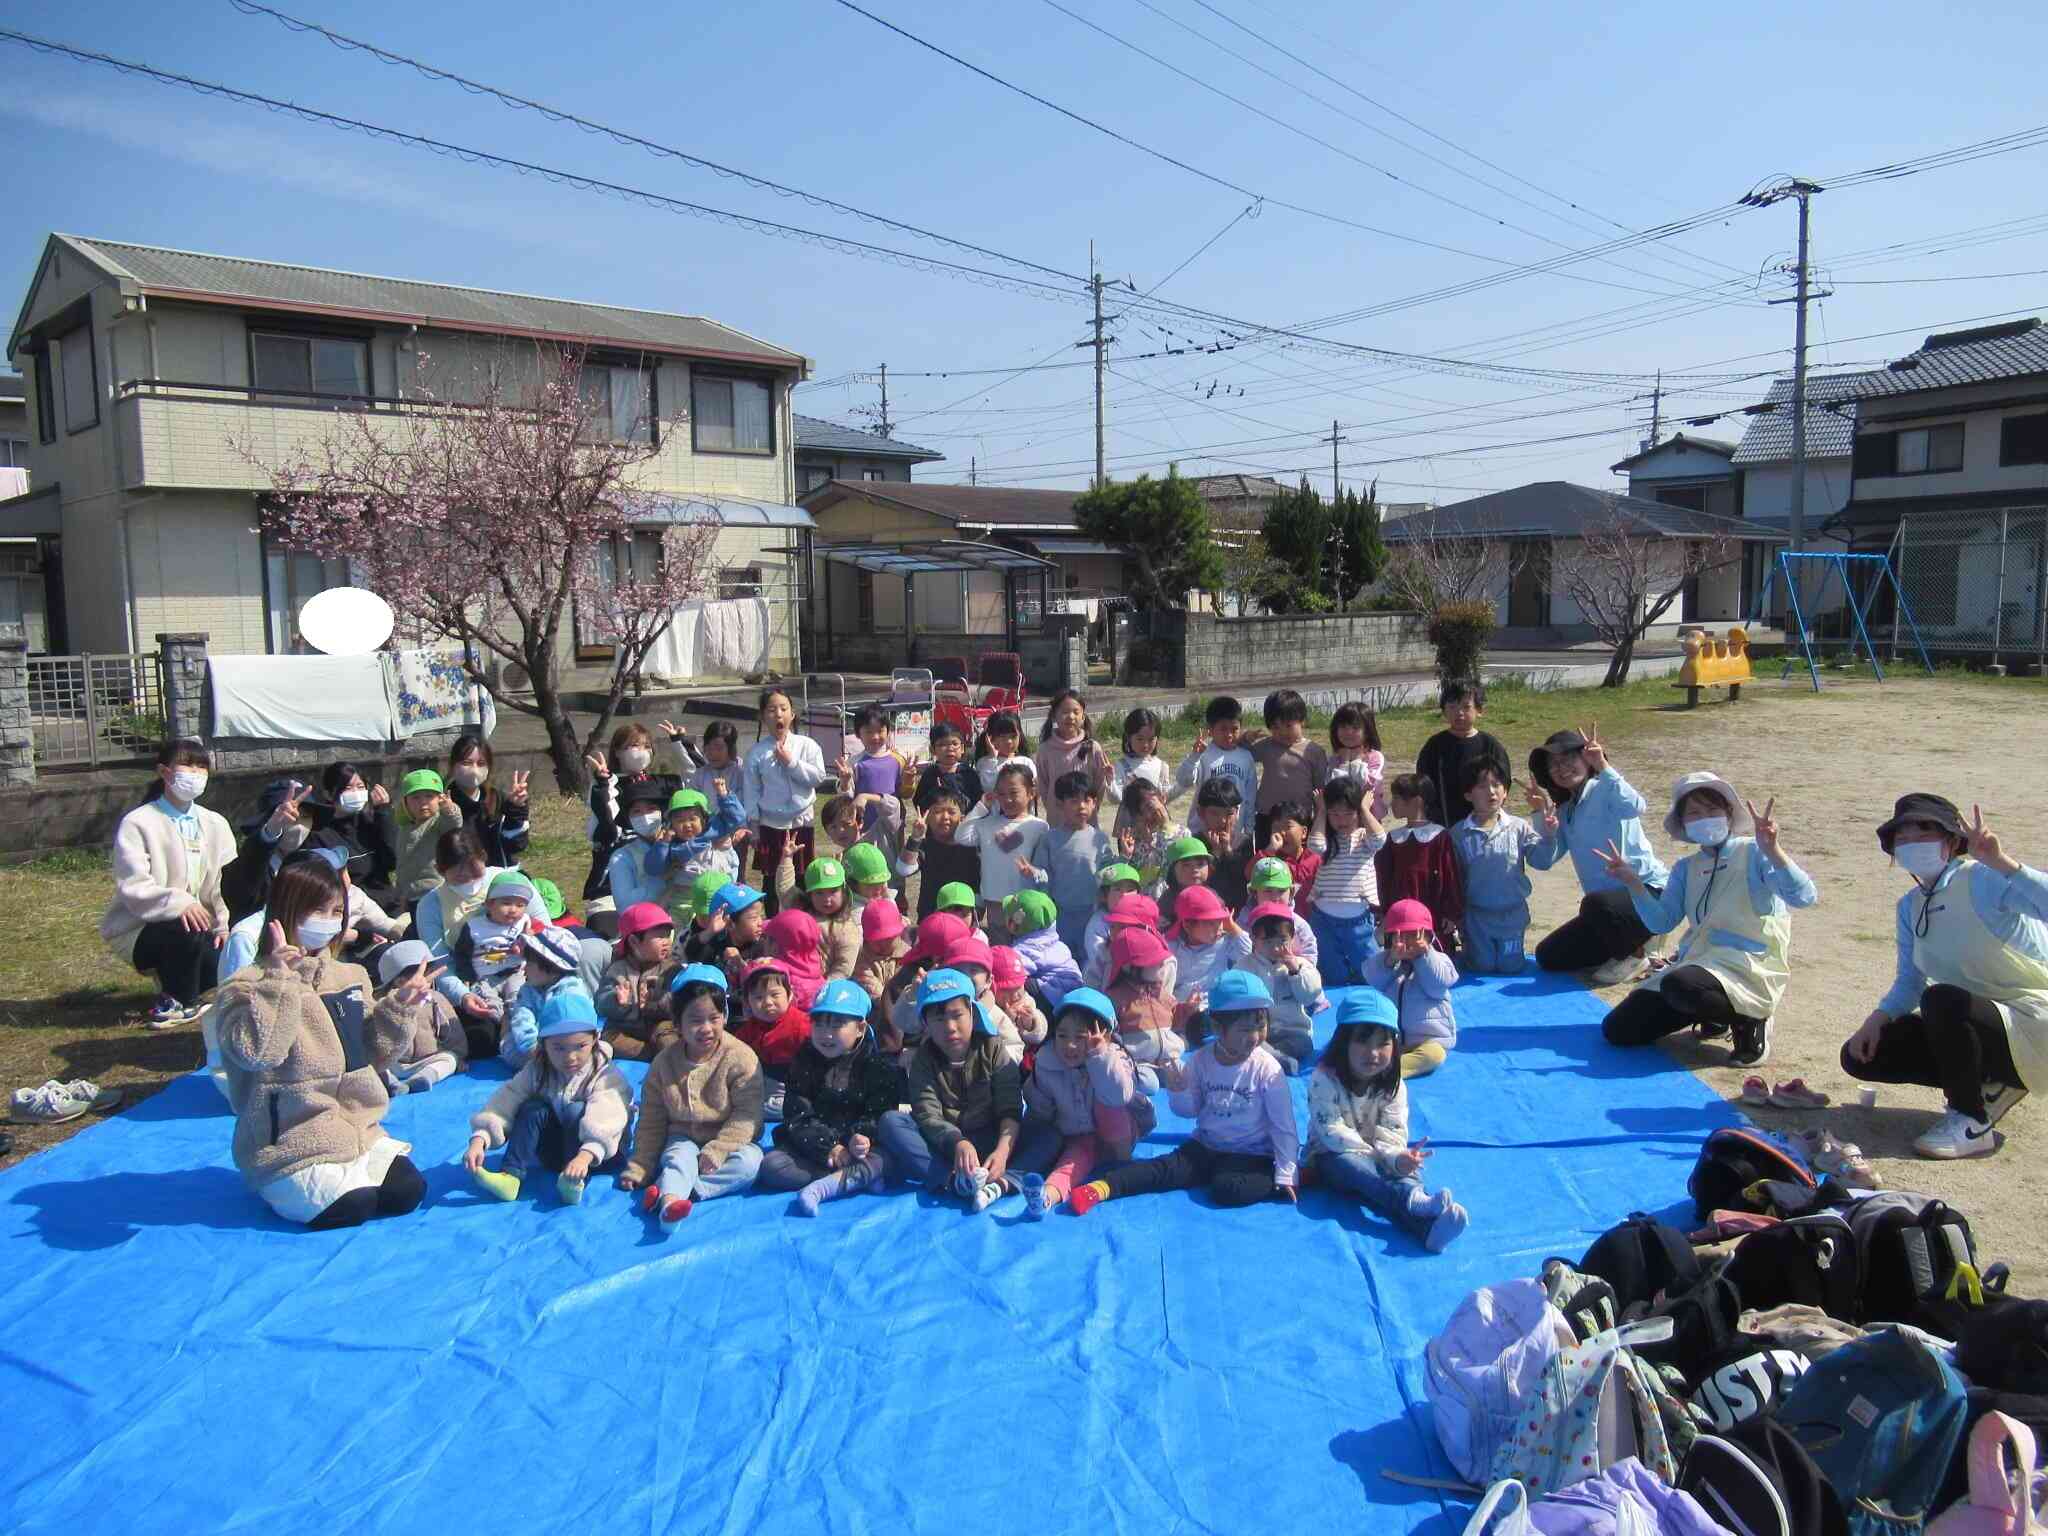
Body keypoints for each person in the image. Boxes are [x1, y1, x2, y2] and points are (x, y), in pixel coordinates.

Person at [214, 858, 429, 1228]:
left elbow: (376, 1056)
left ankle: (346, 1172)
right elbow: (258, 1052)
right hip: (290, 1142)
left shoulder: (350, 975)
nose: (328, 921)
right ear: (285, 911)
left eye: (337, 911)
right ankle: (277, 1187)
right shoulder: (246, 986)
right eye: (317, 910)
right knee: (355, 1206)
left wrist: (400, 1009)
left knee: (407, 1192)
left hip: (356, 1129)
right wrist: (279, 983)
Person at [1842, 796, 2048, 1159]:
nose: (1911, 843)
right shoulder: (1909, 906)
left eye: (1924, 831)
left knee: (1941, 1001)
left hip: (2034, 1020)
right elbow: (1910, 981)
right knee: (1863, 1055)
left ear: (1952, 841)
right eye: (1901, 837)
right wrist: (1875, 1020)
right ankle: (1993, 1082)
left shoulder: (1984, 878)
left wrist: (2003, 864)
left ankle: (1969, 1120)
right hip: (1978, 1022)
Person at [1600, 774, 1818, 1070]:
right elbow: (1661, 922)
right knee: (1619, 1029)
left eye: (1713, 810)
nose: (1705, 819)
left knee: (1681, 985)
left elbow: (1804, 896)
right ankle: (1712, 1013)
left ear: (1729, 814)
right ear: (1684, 824)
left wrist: (1774, 852)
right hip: (1699, 964)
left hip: (1748, 963)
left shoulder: (1754, 852)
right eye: (1694, 813)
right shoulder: (1685, 868)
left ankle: (1752, 1019)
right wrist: (1634, 884)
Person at [1067, 971, 1298, 1214]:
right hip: (1207, 1145)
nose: (1255, 1037)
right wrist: (1178, 1090)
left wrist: (1286, 1174)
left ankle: (1283, 1176)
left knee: (1227, 1189)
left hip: (1250, 1154)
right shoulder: (1201, 1061)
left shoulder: (1267, 1068)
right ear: (1219, 1028)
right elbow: (1188, 1110)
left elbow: (1283, 1125)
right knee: (1163, 1169)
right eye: (1244, 1029)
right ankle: (1103, 1188)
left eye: (1260, 1026)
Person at [875, 969, 1058, 1211]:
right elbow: (927, 1114)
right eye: (939, 1019)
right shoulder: (923, 1059)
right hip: (947, 1148)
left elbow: (1010, 1105)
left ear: (972, 1013)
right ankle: (953, 1182)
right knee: (891, 1122)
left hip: (993, 1138)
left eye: (957, 1015)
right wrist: (957, 1142)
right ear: (925, 1023)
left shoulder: (993, 1048)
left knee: (1051, 1135)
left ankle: (1000, 1184)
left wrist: (1003, 1151)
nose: (950, 1027)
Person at [1307, 990, 1468, 1252]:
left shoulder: (1394, 1084)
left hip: (1380, 1156)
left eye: (1383, 1043)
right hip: (1332, 1156)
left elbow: (1392, 1132)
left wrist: (1398, 1159)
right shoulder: (1323, 1077)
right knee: (1353, 1165)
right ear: (1343, 1042)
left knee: (1398, 1173)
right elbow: (1330, 1131)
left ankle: (1427, 1229)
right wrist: (1380, 1159)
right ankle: (1412, 1197)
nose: (1373, 1053)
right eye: (1363, 1042)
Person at [618, 964, 765, 1231]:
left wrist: (720, 1148)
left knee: (750, 1164)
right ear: (677, 1024)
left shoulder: (741, 1057)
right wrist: (640, 1164)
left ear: (725, 1015)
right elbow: (652, 1118)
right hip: (683, 1136)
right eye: (695, 1020)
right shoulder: (664, 1063)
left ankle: (671, 1194)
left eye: (714, 1018)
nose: (706, 1028)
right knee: (679, 1158)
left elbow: (748, 1113)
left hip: (728, 1140)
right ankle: (670, 1208)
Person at [102, 739, 236, 1026]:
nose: (196, 773)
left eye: (202, 767)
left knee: (230, 955)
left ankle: (179, 983)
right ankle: (181, 1001)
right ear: (164, 772)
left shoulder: (215, 824)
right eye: (188, 765)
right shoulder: (139, 823)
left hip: (202, 928)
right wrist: (181, 903)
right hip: (141, 930)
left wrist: (224, 924)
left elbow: (226, 884)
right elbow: (134, 886)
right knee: (183, 923)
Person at [1526, 723, 1669, 985]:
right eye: (1554, 764)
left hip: (1648, 892)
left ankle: (1638, 953)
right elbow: (1543, 861)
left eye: (1569, 758)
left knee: (1596, 905)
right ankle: (1632, 937)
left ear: (1586, 759)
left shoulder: (1605, 787)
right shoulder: (1565, 810)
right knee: (1549, 956)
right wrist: (1540, 817)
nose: (1562, 767)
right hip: (1608, 911)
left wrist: (1603, 766)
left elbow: (1637, 806)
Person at [464, 987, 632, 1207]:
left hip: (598, 1155)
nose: (570, 1057)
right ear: (543, 1045)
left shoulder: (604, 1073)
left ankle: (573, 1182)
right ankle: (511, 1176)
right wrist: (480, 1138)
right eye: (558, 1048)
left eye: (580, 1046)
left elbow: (608, 1115)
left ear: (595, 1039)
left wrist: (585, 1156)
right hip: (559, 1151)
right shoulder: (538, 1069)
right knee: (532, 1107)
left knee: (575, 1109)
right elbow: (507, 1098)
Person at [762, 978, 907, 1214]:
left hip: (860, 1148)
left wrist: (859, 1138)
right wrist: (830, 1147)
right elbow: (797, 1115)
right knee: (772, 1167)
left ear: (860, 1028)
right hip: (817, 1147)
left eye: (837, 1025)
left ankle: (849, 1176)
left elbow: (879, 1111)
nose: (826, 1034)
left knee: (891, 1154)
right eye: (819, 1024)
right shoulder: (804, 1059)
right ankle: (857, 1176)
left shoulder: (876, 1064)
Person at [1020, 987, 1150, 1219]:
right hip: (1079, 1136)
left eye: (1080, 1037)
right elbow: (1039, 1108)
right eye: (1062, 1036)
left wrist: (1099, 1057)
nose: (1069, 1045)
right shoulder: (1047, 1063)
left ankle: (1122, 1164)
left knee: (1107, 1106)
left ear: (1106, 1036)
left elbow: (1119, 1096)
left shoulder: (1114, 1057)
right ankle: (1045, 1198)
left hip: (1119, 1137)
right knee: (1071, 1163)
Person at [740, 687, 830, 915]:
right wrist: (754, 825)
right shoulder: (757, 753)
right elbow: (751, 791)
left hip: (802, 823)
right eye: (771, 710)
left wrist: (791, 763)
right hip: (771, 825)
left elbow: (818, 777)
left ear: (793, 714)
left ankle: (805, 922)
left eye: (783, 709)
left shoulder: (807, 745)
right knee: (772, 880)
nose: (778, 714)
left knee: (802, 877)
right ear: (763, 717)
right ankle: (773, 923)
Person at [1451, 761, 1545, 975]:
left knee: (1510, 967)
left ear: (1505, 792)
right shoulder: (1458, 833)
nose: (1491, 791)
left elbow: (1542, 860)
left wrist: (1546, 830)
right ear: (1468, 794)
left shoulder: (1518, 827)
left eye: (1497, 784)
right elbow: (1454, 878)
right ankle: (1470, 948)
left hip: (1511, 914)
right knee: (1481, 966)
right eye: (1482, 786)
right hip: (1476, 916)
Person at [1306, 776, 1387, 986]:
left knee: (1369, 971)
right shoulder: (1326, 839)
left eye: (1348, 813)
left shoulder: (1364, 837)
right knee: (1333, 974)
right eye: (1335, 814)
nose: (1341, 820)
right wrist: (1321, 811)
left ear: (1357, 813)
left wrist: (1365, 809)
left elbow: (1380, 839)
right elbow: (1315, 846)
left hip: (1358, 917)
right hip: (1323, 917)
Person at [1365, 899, 1459, 1079]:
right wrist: (1391, 960)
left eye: (1414, 936)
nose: (1407, 943)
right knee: (1360, 1041)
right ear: (1389, 938)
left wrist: (1423, 957)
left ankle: (1389, 1071)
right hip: (1392, 1039)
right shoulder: (1387, 961)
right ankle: (1377, 1064)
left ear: (1429, 937)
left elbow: (1437, 986)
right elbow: (1374, 980)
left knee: (1434, 1056)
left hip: (1429, 1040)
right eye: (1400, 936)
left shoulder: (1439, 960)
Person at [1374, 772, 1464, 956]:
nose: (1393, 804)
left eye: (1397, 798)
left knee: (1433, 954)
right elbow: (1383, 877)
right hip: (1400, 910)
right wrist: (1383, 910)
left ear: (1417, 801)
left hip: (1432, 909)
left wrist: (1451, 913)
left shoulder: (1439, 836)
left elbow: (1450, 876)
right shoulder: (1393, 838)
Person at [1414, 679, 1510, 844]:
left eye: (1466, 707)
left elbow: (1504, 781)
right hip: (1444, 823)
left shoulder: (1489, 745)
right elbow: (1423, 783)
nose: (1459, 712)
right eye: (1452, 707)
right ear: (1444, 711)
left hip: (1485, 822)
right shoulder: (1435, 746)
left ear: (1479, 710)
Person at [1030, 770, 1113, 957]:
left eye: (1087, 800)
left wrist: (1125, 856)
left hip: (1091, 915)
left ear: (1095, 803)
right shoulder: (1050, 839)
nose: (1081, 806)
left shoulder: (1100, 839)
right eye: (1074, 801)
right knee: (1062, 960)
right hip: (1060, 915)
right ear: (1060, 804)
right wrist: (1035, 875)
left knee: (1091, 962)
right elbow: (1042, 876)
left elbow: (1109, 876)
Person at [1235, 900, 1324, 1073]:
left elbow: (1310, 995)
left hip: (1292, 1031)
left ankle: (1272, 1059)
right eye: (1267, 942)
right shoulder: (1245, 966)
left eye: (1282, 940)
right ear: (1253, 938)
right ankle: (1272, 1058)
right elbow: (1234, 997)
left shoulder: (1300, 964)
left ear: (1292, 938)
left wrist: (1295, 972)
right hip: (1257, 1032)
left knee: (1303, 1043)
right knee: (1241, 1038)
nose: (1275, 948)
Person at [955, 762, 1050, 923]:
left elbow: (1044, 865)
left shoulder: (1039, 827)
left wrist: (1033, 872)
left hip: (1025, 899)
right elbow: (961, 836)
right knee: (999, 943)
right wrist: (981, 806)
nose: (1008, 799)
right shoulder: (987, 824)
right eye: (1001, 794)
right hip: (994, 899)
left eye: (1014, 793)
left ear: (1031, 793)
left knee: (1023, 943)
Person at [1104, 922, 1192, 1093]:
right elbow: (1110, 1035)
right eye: (1155, 962)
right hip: (1139, 1061)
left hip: (1168, 1057)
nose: (1162, 965)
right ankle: (1146, 1076)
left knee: (1188, 1076)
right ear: (1130, 967)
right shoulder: (1116, 998)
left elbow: (1175, 1018)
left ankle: (1165, 1073)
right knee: (1149, 1085)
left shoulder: (1160, 992)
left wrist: (1188, 1009)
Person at [375, 939, 468, 1096]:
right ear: (400, 981)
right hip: (393, 1063)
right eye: (425, 975)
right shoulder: (383, 1004)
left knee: (448, 1059)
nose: (430, 979)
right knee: (374, 1065)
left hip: (426, 1060)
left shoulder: (436, 998)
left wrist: (459, 1054)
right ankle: (392, 1084)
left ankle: (422, 1078)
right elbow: (375, 1041)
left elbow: (453, 1032)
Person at [1241, 688, 1330, 848]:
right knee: (1268, 858)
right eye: (1275, 727)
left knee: (1297, 860)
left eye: (1288, 725)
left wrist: (1319, 817)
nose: (1282, 732)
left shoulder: (1313, 750)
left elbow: (1320, 789)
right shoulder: (1267, 746)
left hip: (1299, 818)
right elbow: (1242, 754)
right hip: (1267, 816)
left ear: (1302, 720)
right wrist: (1245, 738)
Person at [309, 761, 399, 910]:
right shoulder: (318, 834)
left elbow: (393, 861)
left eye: (360, 787)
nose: (356, 793)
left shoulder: (370, 822)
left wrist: (383, 813)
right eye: (347, 788)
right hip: (352, 911)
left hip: (386, 904)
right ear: (328, 794)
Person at [597, 902, 679, 1061]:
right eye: (660, 936)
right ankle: (650, 1055)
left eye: (668, 935)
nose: (666, 942)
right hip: (626, 1027)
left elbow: (679, 1004)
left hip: (660, 1025)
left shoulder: (671, 969)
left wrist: (657, 1001)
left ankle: (667, 1058)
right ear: (634, 941)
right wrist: (616, 1000)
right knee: (607, 1039)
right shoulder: (618, 969)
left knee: (668, 1038)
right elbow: (601, 1004)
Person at [734, 955, 811, 1113]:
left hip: (793, 1086)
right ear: (747, 1002)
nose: (768, 1002)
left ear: (789, 995)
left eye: (775, 995)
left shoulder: (802, 1025)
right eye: (758, 997)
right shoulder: (747, 1031)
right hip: (761, 1085)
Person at [444, 735, 530, 869]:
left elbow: (516, 845)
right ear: (452, 766)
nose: (474, 769)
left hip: (499, 876)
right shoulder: (444, 803)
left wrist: (517, 808)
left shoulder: (497, 799)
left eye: (481, 763)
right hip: (462, 878)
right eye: (467, 763)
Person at [902, 789, 981, 923]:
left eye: (951, 812)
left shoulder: (972, 848)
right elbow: (904, 869)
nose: (945, 817)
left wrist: (976, 913)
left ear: (962, 817)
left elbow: (978, 886)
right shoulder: (925, 846)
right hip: (930, 916)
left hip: (964, 919)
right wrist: (915, 837)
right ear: (927, 817)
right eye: (938, 811)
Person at [1035, 689, 1111, 820]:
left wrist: (1091, 810)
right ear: (1054, 715)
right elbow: (1043, 786)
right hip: (1058, 820)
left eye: (1076, 712)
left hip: (1086, 820)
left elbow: (1099, 784)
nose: (1071, 716)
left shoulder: (1093, 748)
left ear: (1083, 716)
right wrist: (1055, 811)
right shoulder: (1045, 749)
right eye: (1065, 712)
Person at [393, 769, 464, 910]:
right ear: (405, 802)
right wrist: (400, 891)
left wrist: (449, 810)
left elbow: (454, 824)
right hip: (410, 893)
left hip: (436, 890)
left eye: (429, 796)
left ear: (440, 798)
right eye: (415, 798)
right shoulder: (405, 827)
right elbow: (402, 863)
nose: (423, 803)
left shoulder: (438, 822)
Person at [1001, 889, 1083, 1009]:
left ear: (1013, 924)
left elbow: (1012, 972)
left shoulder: (1024, 949)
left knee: (1017, 981)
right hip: (1075, 992)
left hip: (1052, 999)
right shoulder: (1056, 942)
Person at [1174, 695, 1258, 807]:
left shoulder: (1246, 757)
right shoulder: (1202, 756)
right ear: (1210, 730)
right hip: (1203, 824)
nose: (1229, 735)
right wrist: (1194, 756)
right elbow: (1183, 780)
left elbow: (1250, 795)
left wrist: (1249, 823)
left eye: (1234, 729)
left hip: (1235, 823)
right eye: (1223, 729)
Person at [1326, 702, 1387, 818]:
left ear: (1368, 731)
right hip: (1340, 819)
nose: (1348, 732)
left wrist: (1356, 761)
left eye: (1355, 728)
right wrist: (1344, 762)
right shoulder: (1334, 759)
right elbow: (1333, 788)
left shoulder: (1374, 757)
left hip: (1369, 818)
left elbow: (1366, 785)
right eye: (1343, 727)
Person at [1106, 707, 1168, 814]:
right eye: (1140, 739)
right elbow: (1116, 799)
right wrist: (1110, 782)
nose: (1145, 745)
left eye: (1151, 739)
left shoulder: (1161, 766)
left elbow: (1167, 796)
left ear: (1157, 738)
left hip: (1155, 821)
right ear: (1128, 737)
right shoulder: (1121, 766)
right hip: (1130, 825)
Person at [912, 722, 983, 814]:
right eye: (942, 745)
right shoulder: (930, 773)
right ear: (932, 750)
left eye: (954, 743)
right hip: (937, 825)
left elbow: (977, 801)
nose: (950, 748)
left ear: (962, 748)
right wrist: (935, 794)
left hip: (964, 824)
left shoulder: (968, 773)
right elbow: (919, 802)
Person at [853, 897, 910, 1002]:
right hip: (878, 1008)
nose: (883, 944)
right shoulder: (862, 961)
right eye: (876, 940)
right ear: (866, 938)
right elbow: (873, 989)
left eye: (888, 939)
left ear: (899, 933)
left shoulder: (909, 955)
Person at [972, 709, 1034, 799]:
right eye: (1002, 736)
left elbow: (1034, 791)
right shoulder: (985, 763)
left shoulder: (1026, 762)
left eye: (1013, 736)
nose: (1009, 741)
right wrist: (992, 758)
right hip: (995, 813)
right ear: (990, 738)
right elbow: (988, 788)